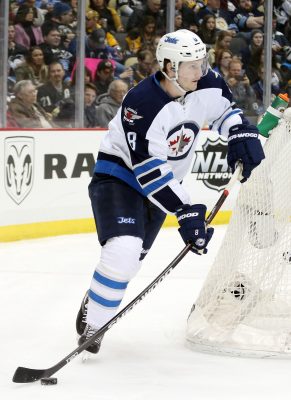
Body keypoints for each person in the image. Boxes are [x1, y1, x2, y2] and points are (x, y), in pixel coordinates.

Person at [75, 29, 265, 355]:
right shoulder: (142, 103)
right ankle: (94, 325)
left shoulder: (208, 82)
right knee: (123, 250)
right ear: (168, 66)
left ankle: (95, 299)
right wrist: (186, 210)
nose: (199, 71)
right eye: (190, 65)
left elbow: (225, 112)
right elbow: (148, 171)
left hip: (165, 184)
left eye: (201, 62)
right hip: (120, 178)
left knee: (131, 262)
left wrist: (239, 134)